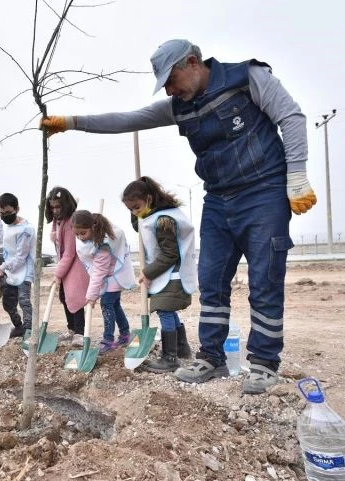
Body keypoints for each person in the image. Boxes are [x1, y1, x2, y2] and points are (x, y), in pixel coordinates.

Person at [41, 39, 317, 394]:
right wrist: (71, 122)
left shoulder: (246, 78)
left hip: (263, 192)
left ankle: (263, 363)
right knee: (212, 279)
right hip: (219, 199)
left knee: (264, 279)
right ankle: (212, 356)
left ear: (192, 62)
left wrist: (296, 174)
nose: (169, 89)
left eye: (171, 79)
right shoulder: (178, 107)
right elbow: (127, 119)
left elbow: (290, 117)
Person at [121, 177, 196, 372]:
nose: (135, 212)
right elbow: (141, 226)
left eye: (137, 207)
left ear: (149, 198)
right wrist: (136, 213)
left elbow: (170, 254)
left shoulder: (165, 220)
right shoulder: (152, 215)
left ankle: (170, 358)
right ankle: (182, 348)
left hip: (173, 275)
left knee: (164, 311)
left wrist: (147, 272)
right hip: (168, 275)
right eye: (130, 209)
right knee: (168, 310)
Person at [71, 210, 134, 354]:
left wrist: (91, 297)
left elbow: (99, 272)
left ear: (93, 227)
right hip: (109, 276)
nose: (80, 237)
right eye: (77, 234)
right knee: (115, 305)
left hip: (114, 276)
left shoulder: (103, 245)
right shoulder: (93, 237)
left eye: (83, 233)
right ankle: (124, 334)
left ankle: (108, 340)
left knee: (106, 304)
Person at [46, 187, 88, 347]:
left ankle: (79, 332)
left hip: (75, 266)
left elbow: (70, 253)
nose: (55, 210)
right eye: (53, 207)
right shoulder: (60, 221)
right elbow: (56, 233)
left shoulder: (71, 222)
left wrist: (57, 274)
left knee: (75, 297)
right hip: (65, 264)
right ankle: (71, 329)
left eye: (58, 207)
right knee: (64, 298)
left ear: (66, 205)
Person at [0, 193, 35, 338]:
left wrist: (3, 267)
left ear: (17, 209)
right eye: (2, 213)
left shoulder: (25, 230)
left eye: (8, 212)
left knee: (24, 301)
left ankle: (29, 329)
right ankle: (18, 326)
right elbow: (2, 239)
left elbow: (20, 258)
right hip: (11, 271)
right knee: (8, 303)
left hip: (23, 270)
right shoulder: (8, 226)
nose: (5, 216)